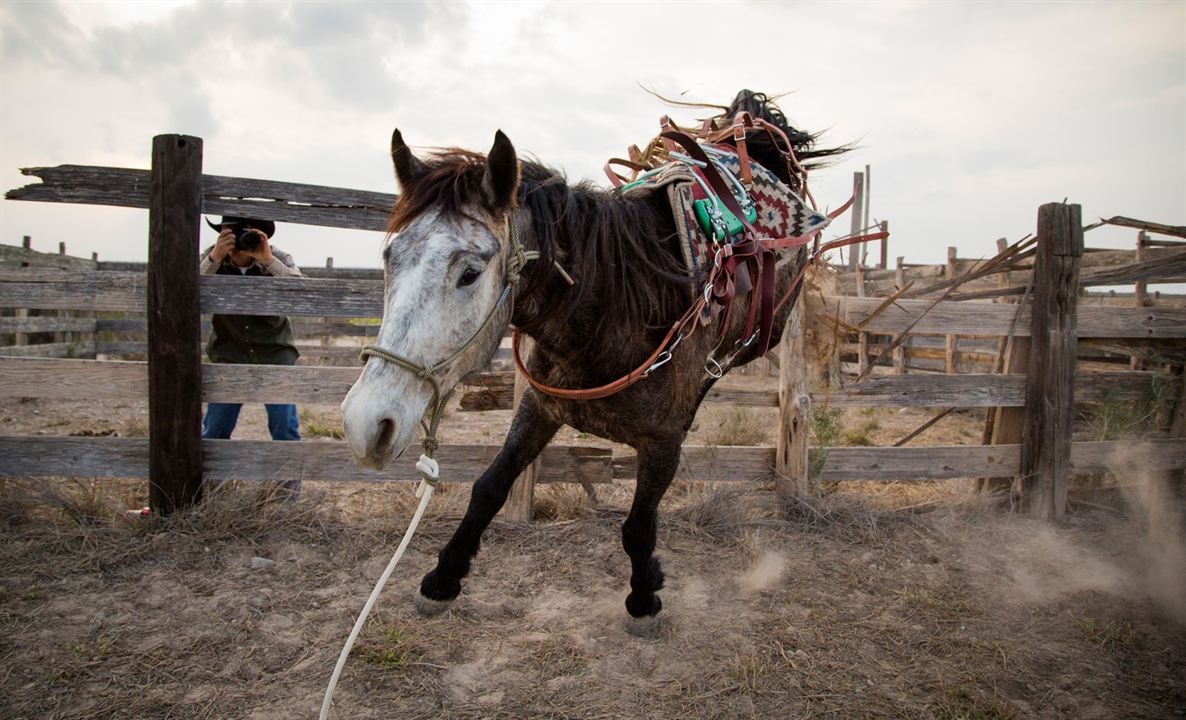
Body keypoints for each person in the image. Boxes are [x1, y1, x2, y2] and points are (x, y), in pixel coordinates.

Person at [199, 216, 304, 494]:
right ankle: (210, 491)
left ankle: (287, 494)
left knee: (284, 428)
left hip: (275, 353)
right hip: (229, 353)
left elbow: (302, 292)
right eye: (231, 232)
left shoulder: (277, 256)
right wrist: (215, 256)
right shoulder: (212, 257)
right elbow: (185, 290)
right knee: (216, 428)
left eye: (245, 233)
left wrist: (268, 260)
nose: (239, 239)